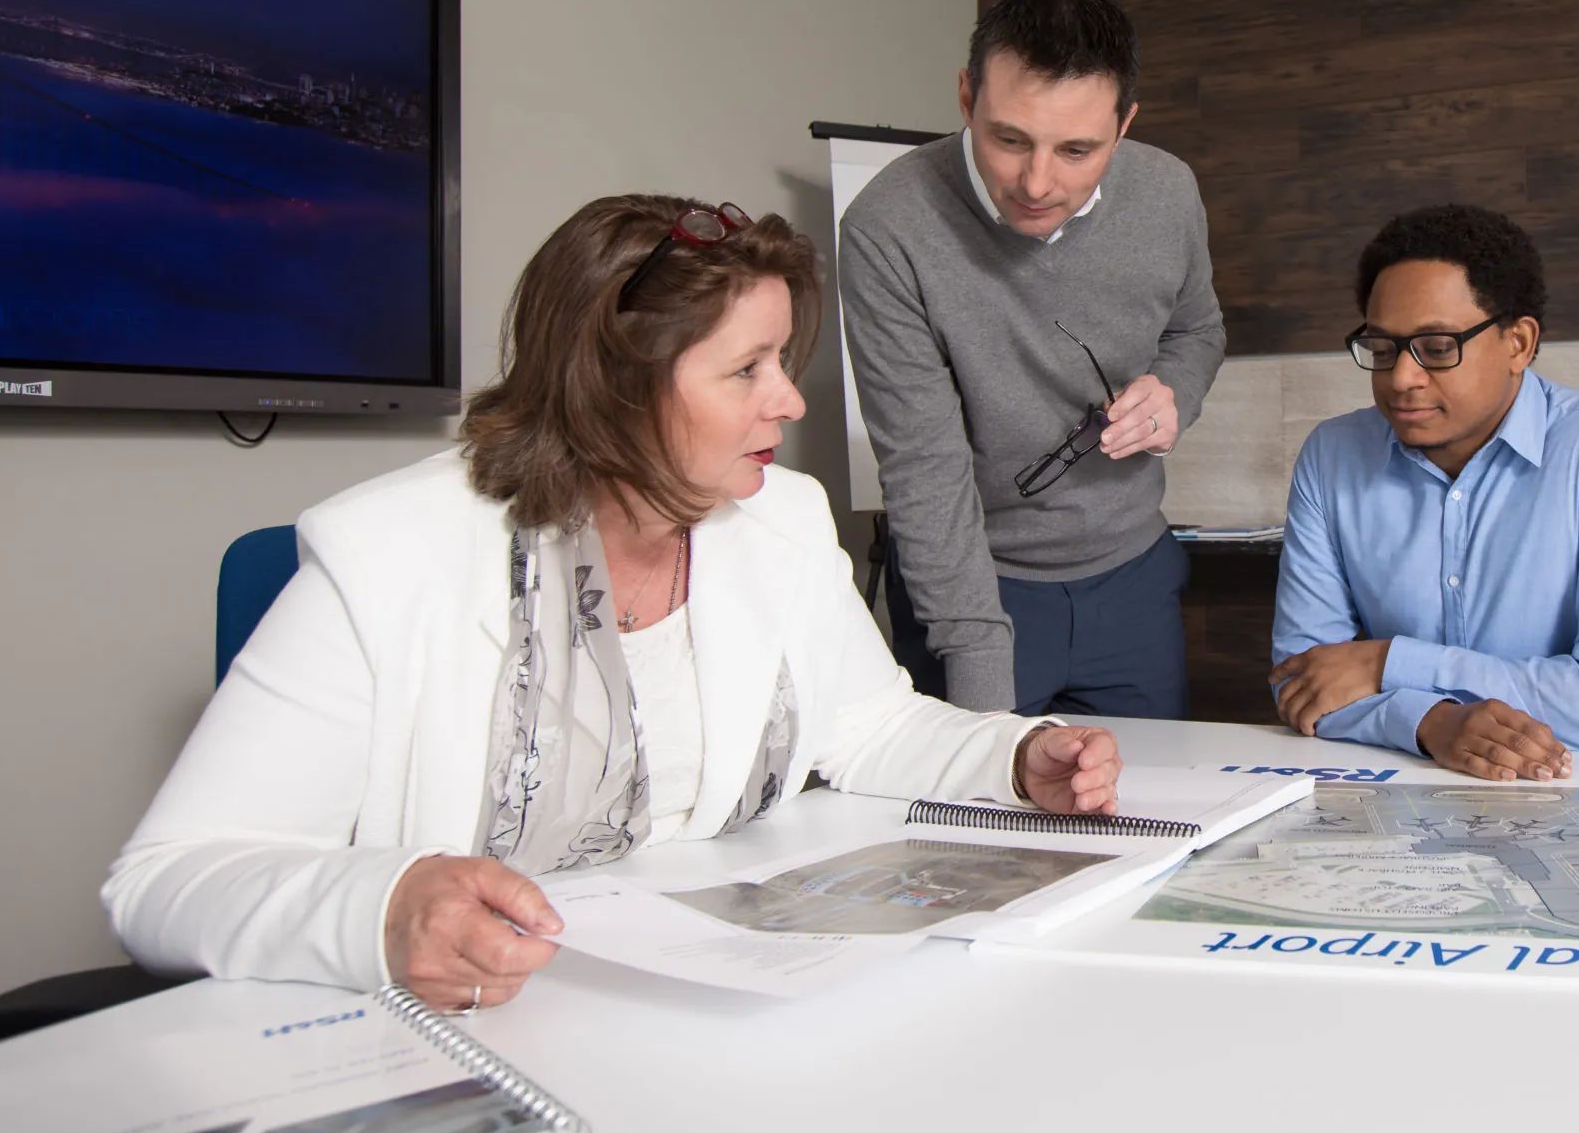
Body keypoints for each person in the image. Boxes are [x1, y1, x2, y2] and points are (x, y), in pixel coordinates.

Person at [104, 196, 1123, 1010]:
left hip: (716, 1003)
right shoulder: (391, 555)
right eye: (746, 370)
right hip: (492, 1022)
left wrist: (1010, 755)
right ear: (615, 388)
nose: (790, 401)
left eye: (784, 361)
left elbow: (865, 726)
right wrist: (383, 909)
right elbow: (165, 880)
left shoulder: (777, 518)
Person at [842, 0, 1224, 721]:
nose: (1037, 182)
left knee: (1147, 812)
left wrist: (1174, 387)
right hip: (974, 588)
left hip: (1133, 582)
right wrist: (986, 716)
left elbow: (1196, 330)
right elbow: (926, 473)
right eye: (1008, 139)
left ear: (1125, 126)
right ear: (965, 99)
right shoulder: (887, 228)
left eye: (1078, 150)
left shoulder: (1169, 191)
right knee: (980, 825)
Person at [1270, 205, 1579, 779]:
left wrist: (1387, 662)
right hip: (1397, 796)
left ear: (1518, 343)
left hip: (1571, 790)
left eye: (1438, 348)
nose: (1401, 379)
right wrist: (1432, 723)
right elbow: (1302, 682)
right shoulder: (1332, 455)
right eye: (1382, 348)